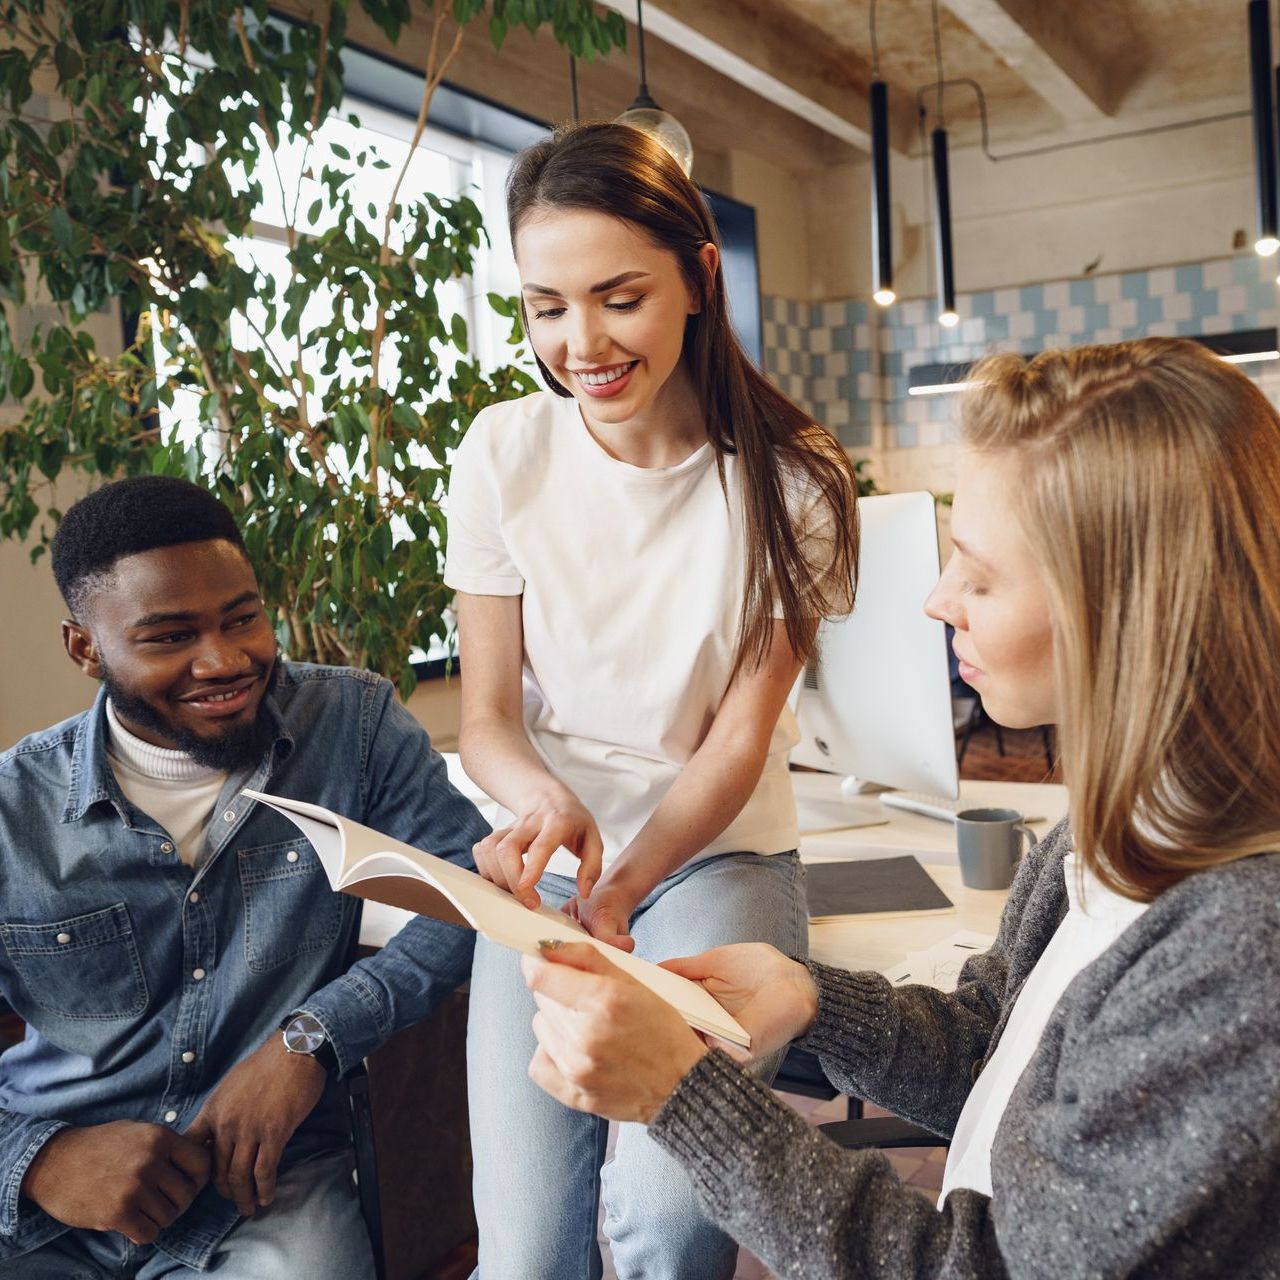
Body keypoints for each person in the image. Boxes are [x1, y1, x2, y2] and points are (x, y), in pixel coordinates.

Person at [519, 338, 1280, 1278]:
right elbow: (992, 1057)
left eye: (980, 574)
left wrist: (684, 1095)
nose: (936, 600)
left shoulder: (1239, 946)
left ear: (1122, 608)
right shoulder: (1111, 830)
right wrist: (813, 999)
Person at [443, 122, 859, 1279]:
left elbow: (740, 734)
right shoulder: (499, 454)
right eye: (543, 307)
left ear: (695, 275)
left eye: (616, 296)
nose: (580, 343)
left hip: (716, 853)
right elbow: (486, 718)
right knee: (526, 1249)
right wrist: (546, 807)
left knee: (665, 1218)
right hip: (549, 868)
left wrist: (627, 876)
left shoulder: (791, 480)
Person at [0, 475, 488, 1278]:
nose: (224, 660)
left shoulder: (354, 728)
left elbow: (471, 899)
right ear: (85, 648)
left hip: (269, 1188)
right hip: (48, 1206)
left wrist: (312, 1039)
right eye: (169, 637)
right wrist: (41, 1160)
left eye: (243, 618)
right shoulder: (17, 808)